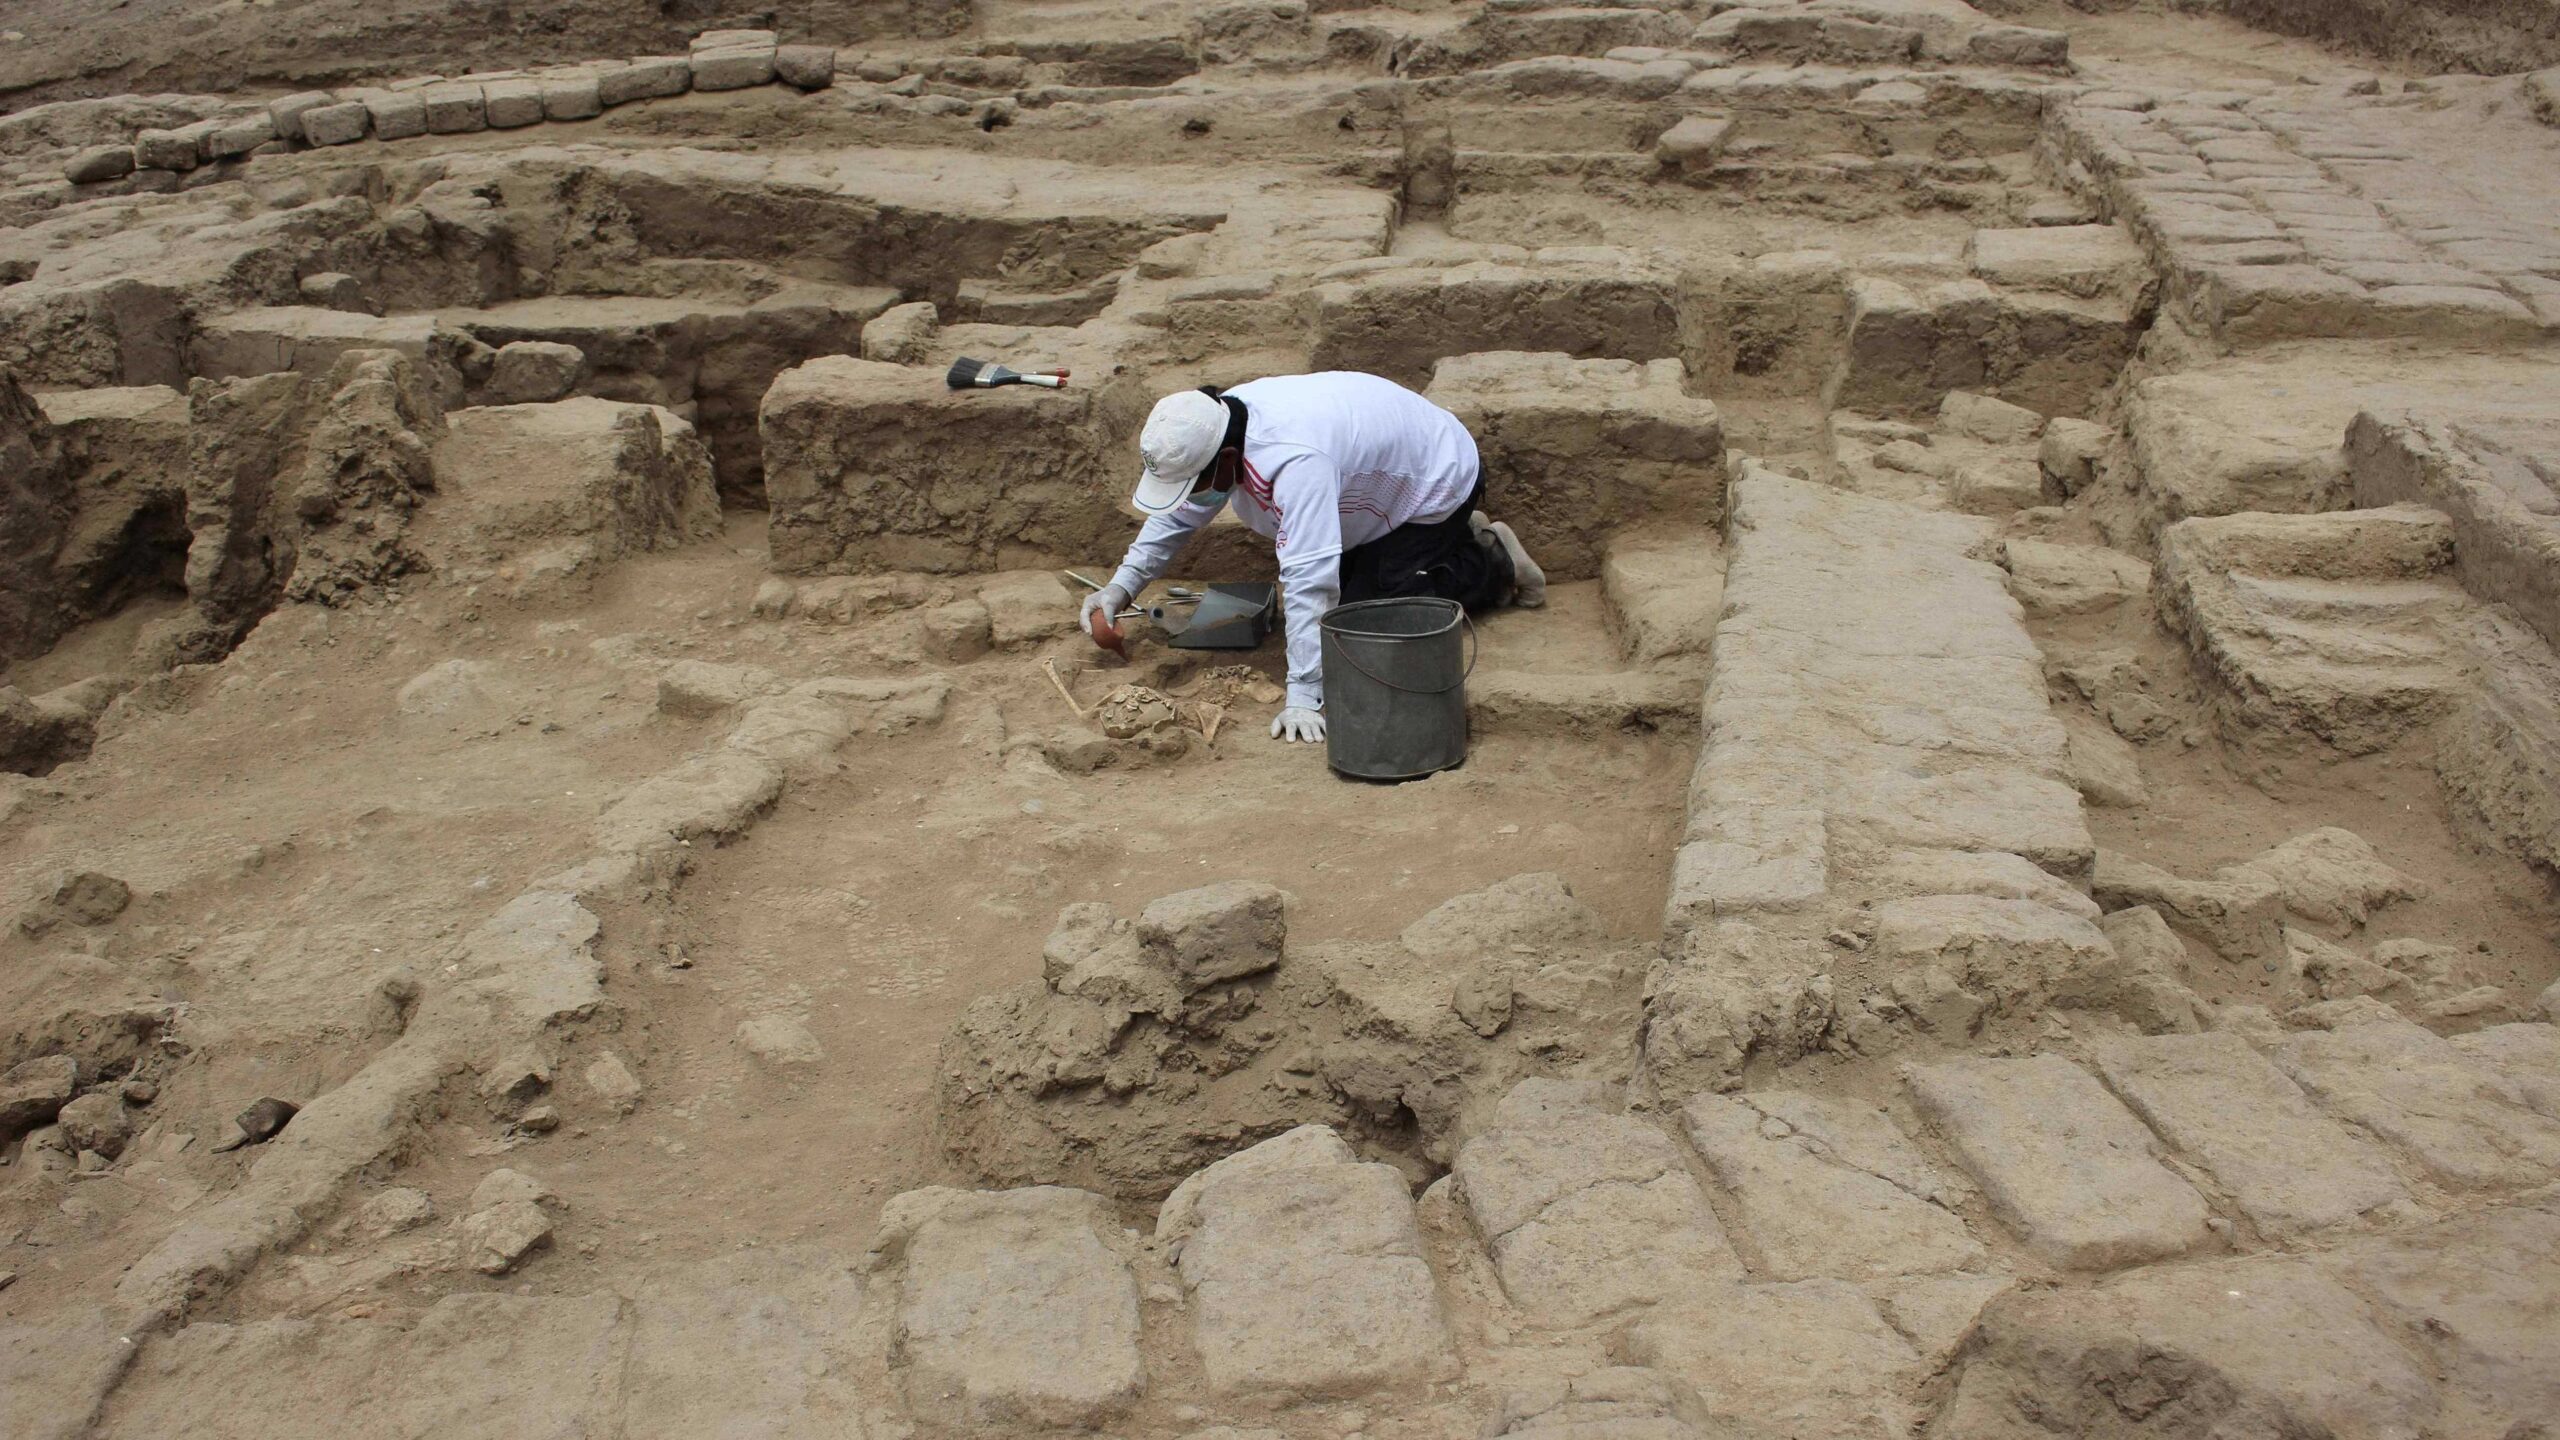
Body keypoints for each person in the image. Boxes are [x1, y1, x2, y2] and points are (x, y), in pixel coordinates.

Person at [1081, 371, 1545, 743]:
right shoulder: (1218, 420)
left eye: (1193, 483)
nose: (1191, 497)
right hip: (1367, 481)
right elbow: (1180, 516)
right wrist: (1122, 586)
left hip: (1434, 477)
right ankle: (1437, 549)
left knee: (1367, 622)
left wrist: (1304, 693)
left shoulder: (1295, 462)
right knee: (1342, 605)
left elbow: (1310, 579)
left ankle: (1491, 560)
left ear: (1224, 458)